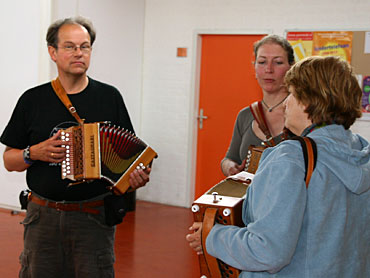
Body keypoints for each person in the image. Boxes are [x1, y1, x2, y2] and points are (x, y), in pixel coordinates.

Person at [187, 56, 370, 277]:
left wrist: (211, 236)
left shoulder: (291, 158)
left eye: (292, 94)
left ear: (310, 101)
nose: (285, 103)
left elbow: (267, 251)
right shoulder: (362, 152)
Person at [0, 17, 151, 278]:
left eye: (85, 46)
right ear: (53, 52)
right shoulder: (32, 100)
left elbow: (131, 159)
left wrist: (136, 178)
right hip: (42, 218)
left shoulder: (109, 97)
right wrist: (33, 153)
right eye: (70, 46)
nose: (79, 53)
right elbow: (9, 160)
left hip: (92, 217)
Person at [221, 34, 295, 176]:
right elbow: (230, 158)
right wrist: (230, 167)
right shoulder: (246, 115)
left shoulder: (303, 113)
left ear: (291, 67)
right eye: (262, 62)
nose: (269, 69)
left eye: (278, 62)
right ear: (254, 67)